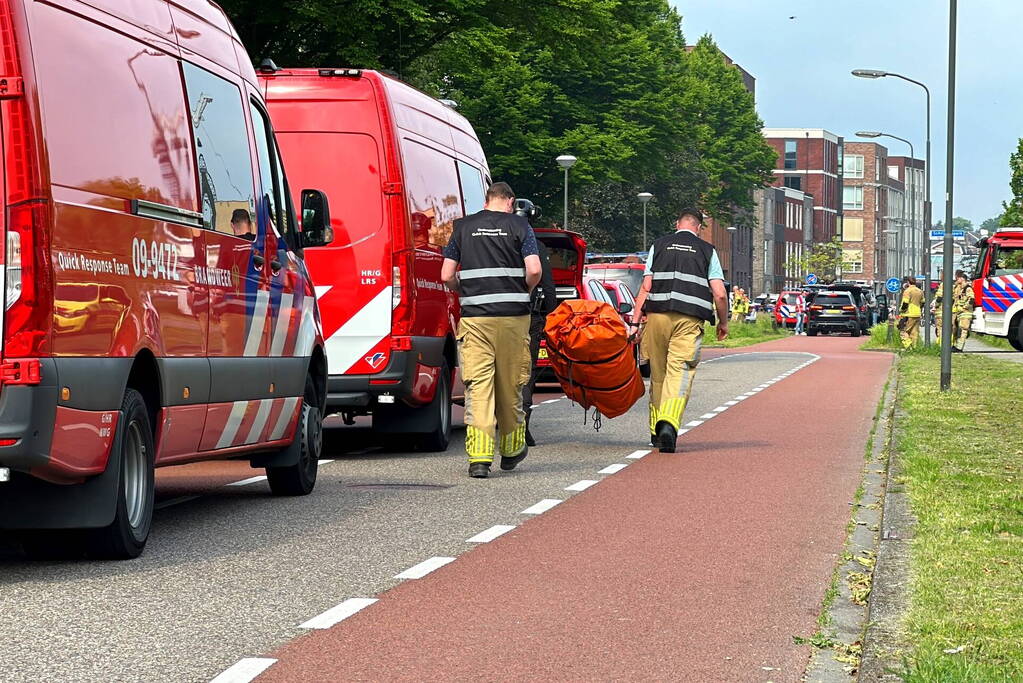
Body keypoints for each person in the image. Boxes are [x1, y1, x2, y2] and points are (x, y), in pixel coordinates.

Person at [441, 182, 541, 479]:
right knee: (510, 385)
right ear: (509, 200)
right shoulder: (520, 226)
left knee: (479, 387)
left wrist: (464, 290)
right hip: (513, 318)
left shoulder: (462, 227)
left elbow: (446, 274)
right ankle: (511, 450)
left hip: (475, 320)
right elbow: (534, 269)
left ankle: (479, 459)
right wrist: (522, 290)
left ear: (487, 199)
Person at [631, 208, 728, 453]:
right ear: (699, 227)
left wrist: (634, 322)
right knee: (680, 370)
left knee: (658, 373)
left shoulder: (659, 245)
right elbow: (719, 293)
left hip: (657, 317)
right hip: (689, 319)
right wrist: (723, 322)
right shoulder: (708, 251)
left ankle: (655, 429)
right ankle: (669, 424)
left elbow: (646, 286)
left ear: (677, 223)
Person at [518, 205, 556, 447]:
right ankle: (522, 428)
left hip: (490, 314)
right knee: (525, 373)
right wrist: (552, 314)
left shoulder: (497, 241)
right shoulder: (535, 246)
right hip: (529, 317)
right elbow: (547, 284)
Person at [951, 269, 975, 352]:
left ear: (962, 278)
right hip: (959, 313)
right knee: (955, 329)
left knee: (963, 330)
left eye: (958, 278)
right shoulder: (959, 288)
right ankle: (954, 346)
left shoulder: (967, 288)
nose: (956, 280)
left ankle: (959, 347)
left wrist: (964, 307)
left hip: (965, 313)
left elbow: (971, 299)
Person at [899, 275, 924, 348]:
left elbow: (905, 303)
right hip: (917, 314)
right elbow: (923, 302)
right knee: (914, 332)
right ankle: (914, 347)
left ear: (908, 282)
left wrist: (902, 310)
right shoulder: (920, 291)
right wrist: (919, 309)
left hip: (909, 314)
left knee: (903, 331)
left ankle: (908, 346)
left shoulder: (908, 291)